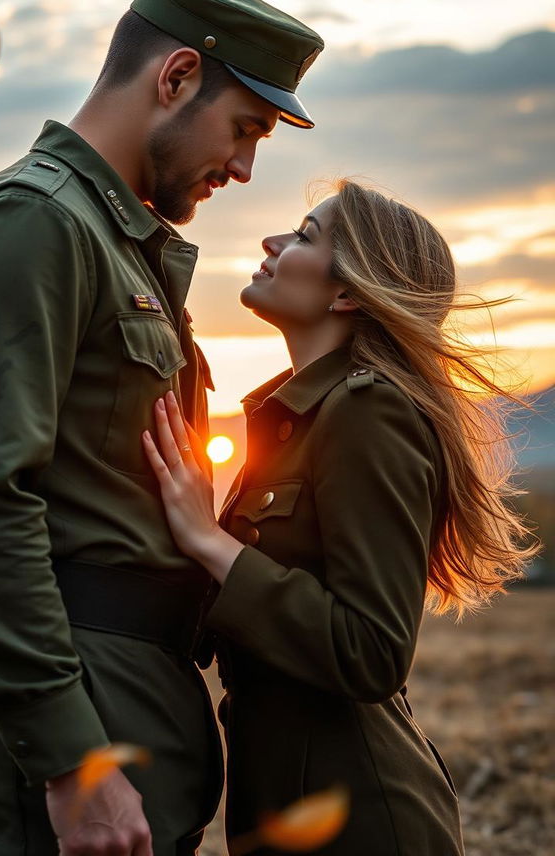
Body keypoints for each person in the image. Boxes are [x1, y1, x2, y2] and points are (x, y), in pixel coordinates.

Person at [0, 0, 324, 856]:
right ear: (177, 75)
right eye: (244, 127)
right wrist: (74, 762)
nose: (247, 167)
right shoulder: (29, 226)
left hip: (127, 698)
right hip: (68, 726)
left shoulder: (116, 244)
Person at [143, 180, 538, 856]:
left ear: (348, 293)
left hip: (359, 817)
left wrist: (213, 544)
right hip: (289, 808)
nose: (270, 243)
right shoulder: (300, 422)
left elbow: (375, 651)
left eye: (302, 234)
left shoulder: (367, 411)